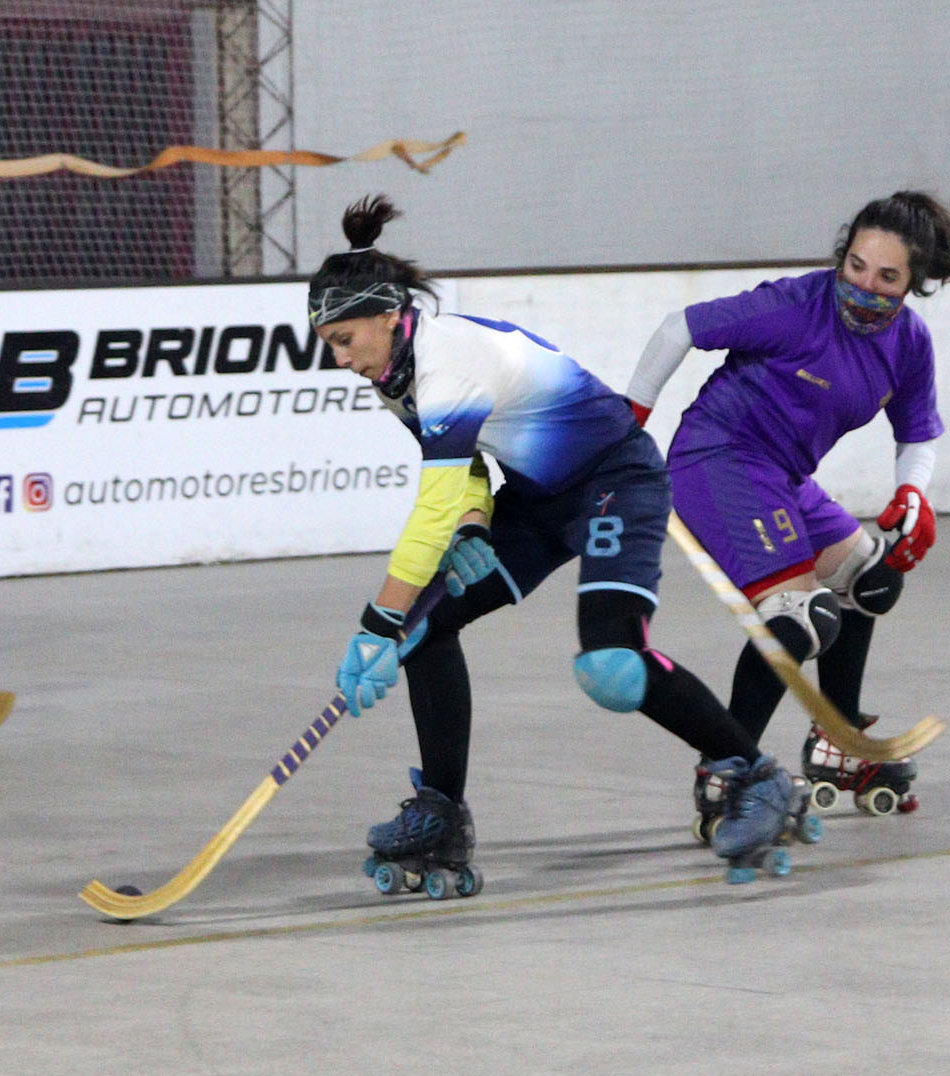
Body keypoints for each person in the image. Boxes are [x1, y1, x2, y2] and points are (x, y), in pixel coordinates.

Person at [312, 195, 807, 883]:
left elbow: (430, 509)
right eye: (330, 345)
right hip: (539, 496)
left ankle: (755, 775)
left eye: (344, 339)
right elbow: (462, 472)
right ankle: (442, 812)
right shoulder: (397, 378)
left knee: (611, 665)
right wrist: (474, 523)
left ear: (389, 316)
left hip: (615, 479)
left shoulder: (446, 359)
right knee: (425, 628)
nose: (340, 359)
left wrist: (377, 622)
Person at [626, 191, 949, 816]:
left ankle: (839, 741)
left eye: (887, 278)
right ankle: (728, 771)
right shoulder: (794, 306)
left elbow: (917, 433)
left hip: (783, 475)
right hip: (719, 458)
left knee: (869, 580)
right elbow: (679, 327)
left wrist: (912, 492)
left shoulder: (908, 343)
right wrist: (630, 417)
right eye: (855, 266)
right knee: (799, 618)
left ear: (915, 283)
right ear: (841, 256)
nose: (865, 286)